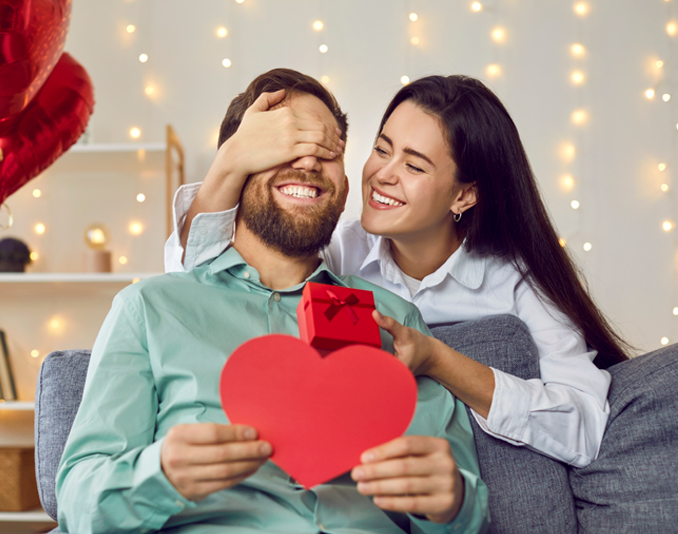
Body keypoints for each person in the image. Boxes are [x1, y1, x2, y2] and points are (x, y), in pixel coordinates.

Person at [57, 68, 489, 534]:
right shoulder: (150, 309)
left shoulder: (397, 321)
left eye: (327, 153)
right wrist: (157, 475)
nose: (307, 164)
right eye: (284, 146)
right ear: (238, 164)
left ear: (345, 186)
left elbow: (463, 514)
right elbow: (79, 505)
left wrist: (454, 504)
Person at [165, 74, 632, 468]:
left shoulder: (518, 282)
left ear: (464, 196)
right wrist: (232, 158)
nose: (383, 175)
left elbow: (585, 426)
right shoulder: (339, 251)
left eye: (413, 165)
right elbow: (205, 280)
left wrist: (439, 359)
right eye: (382, 149)